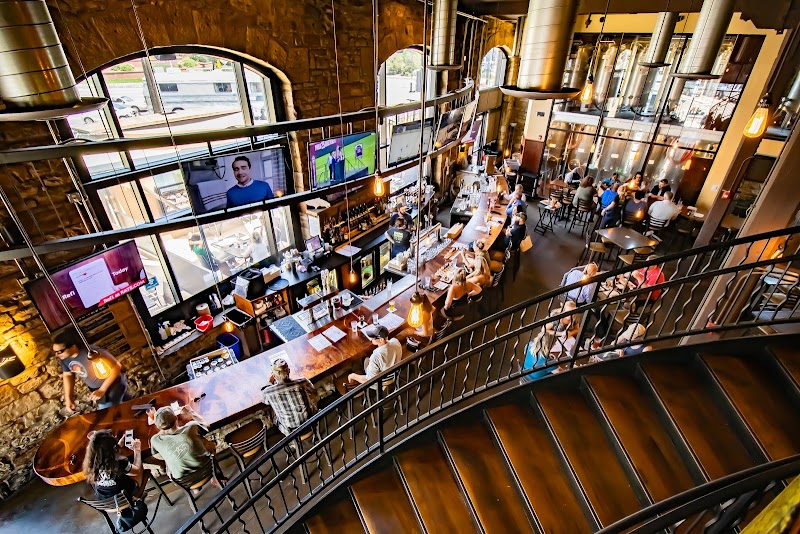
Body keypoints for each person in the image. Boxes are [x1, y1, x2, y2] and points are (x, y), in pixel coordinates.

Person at [53, 328, 131, 411]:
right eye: (55, 351)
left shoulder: (92, 352)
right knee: (130, 406)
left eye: (60, 351)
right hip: (97, 388)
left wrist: (102, 390)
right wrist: (68, 398)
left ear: (73, 347)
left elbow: (116, 367)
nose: (56, 355)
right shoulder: (65, 359)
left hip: (114, 384)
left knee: (107, 412)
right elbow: (68, 375)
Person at [149, 406, 220, 481]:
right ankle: (216, 476)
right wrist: (190, 411)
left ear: (158, 427)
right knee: (204, 442)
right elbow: (206, 425)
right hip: (207, 469)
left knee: (169, 460)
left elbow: (156, 455)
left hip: (184, 481)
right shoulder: (191, 427)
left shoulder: (155, 440)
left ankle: (195, 488)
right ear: (176, 418)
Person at [521, 301, 580, 382]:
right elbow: (561, 373)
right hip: (535, 383)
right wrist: (555, 362)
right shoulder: (548, 362)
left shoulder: (529, 345)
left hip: (524, 377)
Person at [262, 358, 318, 436]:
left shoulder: (268, 392)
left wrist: (269, 382)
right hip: (310, 422)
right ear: (289, 371)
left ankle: (292, 442)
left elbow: (264, 401)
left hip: (290, 430)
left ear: (274, 376)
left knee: (272, 411)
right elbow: (314, 391)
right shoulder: (302, 382)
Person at [83, 430, 144, 500]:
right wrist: (137, 450)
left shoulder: (91, 463)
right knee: (139, 465)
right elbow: (136, 470)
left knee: (121, 474)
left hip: (106, 503)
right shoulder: (119, 462)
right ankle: (139, 493)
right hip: (124, 499)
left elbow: (104, 452)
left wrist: (117, 446)